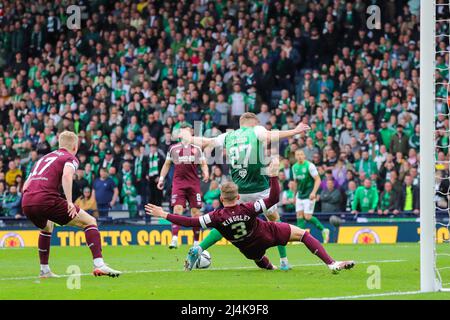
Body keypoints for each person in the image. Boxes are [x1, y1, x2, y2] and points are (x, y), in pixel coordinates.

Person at [145, 158, 354, 273]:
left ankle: (270, 266)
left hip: (247, 248)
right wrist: (272, 176)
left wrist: (164, 213)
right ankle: (331, 263)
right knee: (303, 235)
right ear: (237, 196)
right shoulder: (248, 208)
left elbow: (190, 221)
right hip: (266, 233)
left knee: (260, 260)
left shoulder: (216, 216)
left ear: (221, 198)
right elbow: (273, 198)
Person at [190, 112, 311, 270]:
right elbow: (270, 135)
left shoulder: (228, 136)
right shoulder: (256, 130)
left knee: (224, 222)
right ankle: (284, 261)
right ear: (253, 122)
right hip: (260, 188)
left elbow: (207, 142)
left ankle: (199, 248)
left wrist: (189, 139)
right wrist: (295, 131)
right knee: (274, 220)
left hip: (239, 191)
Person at [21, 131, 120, 278]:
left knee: (47, 226)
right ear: (75, 146)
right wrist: (69, 202)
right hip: (46, 199)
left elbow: (25, 187)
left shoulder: (42, 159)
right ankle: (99, 264)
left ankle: (44, 270)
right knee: (90, 221)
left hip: (27, 201)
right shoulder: (70, 158)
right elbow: (67, 175)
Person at [157, 125, 209, 248]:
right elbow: (166, 164)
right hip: (178, 184)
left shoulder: (197, 149)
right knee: (177, 210)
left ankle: (196, 242)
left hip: (193, 184)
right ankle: (175, 238)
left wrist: (206, 172)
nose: (186, 133)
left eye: (188, 131)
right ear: (180, 135)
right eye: (183, 131)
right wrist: (161, 179)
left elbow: (203, 164)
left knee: (195, 212)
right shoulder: (173, 148)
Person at [292, 149, 330, 243]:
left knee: (307, 216)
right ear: (295, 156)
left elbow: (318, 179)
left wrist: (314, 192)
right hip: (300, 195)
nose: (299, 156)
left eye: (301, 154)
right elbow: (296, 182)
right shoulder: (294, 167)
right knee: (299, 216)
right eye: (297, 154)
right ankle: (299, 238)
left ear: (304, 156)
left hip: (309, 195)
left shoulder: (310, 165)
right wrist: (294, 195)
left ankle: (324, 230)